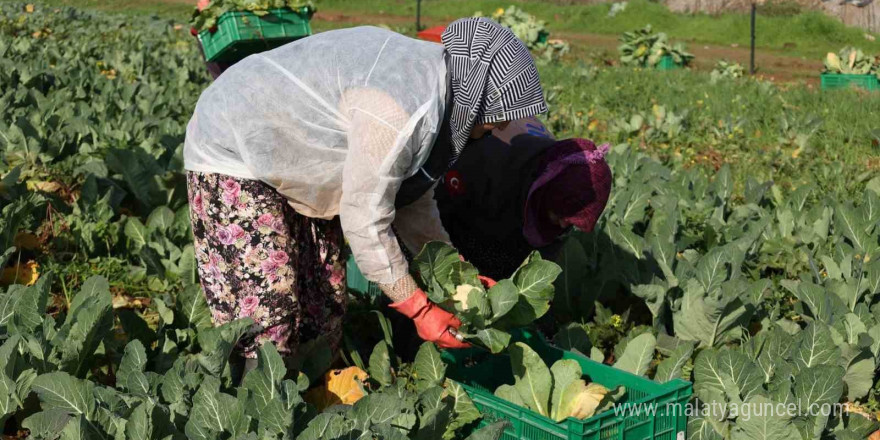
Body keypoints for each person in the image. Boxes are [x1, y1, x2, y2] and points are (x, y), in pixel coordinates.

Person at [183, 18, 548, 362]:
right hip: (233, 141)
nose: (493, 131)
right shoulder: (400, 108)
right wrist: (418, 308)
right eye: (492, 120)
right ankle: (256, 416)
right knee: (268, 310)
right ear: (477, 97)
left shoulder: (437, 88)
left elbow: (411, 199)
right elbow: (364, 219)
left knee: (323, 303)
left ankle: (304, 401)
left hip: (294, 151)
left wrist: (453, 272)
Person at [435, 120, 612, 281]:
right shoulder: (487, 165)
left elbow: (544, 257)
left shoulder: (561, 177)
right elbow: (436, 215)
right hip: (458, 201)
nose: (564, 224)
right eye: (560, 215)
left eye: (569, 221)